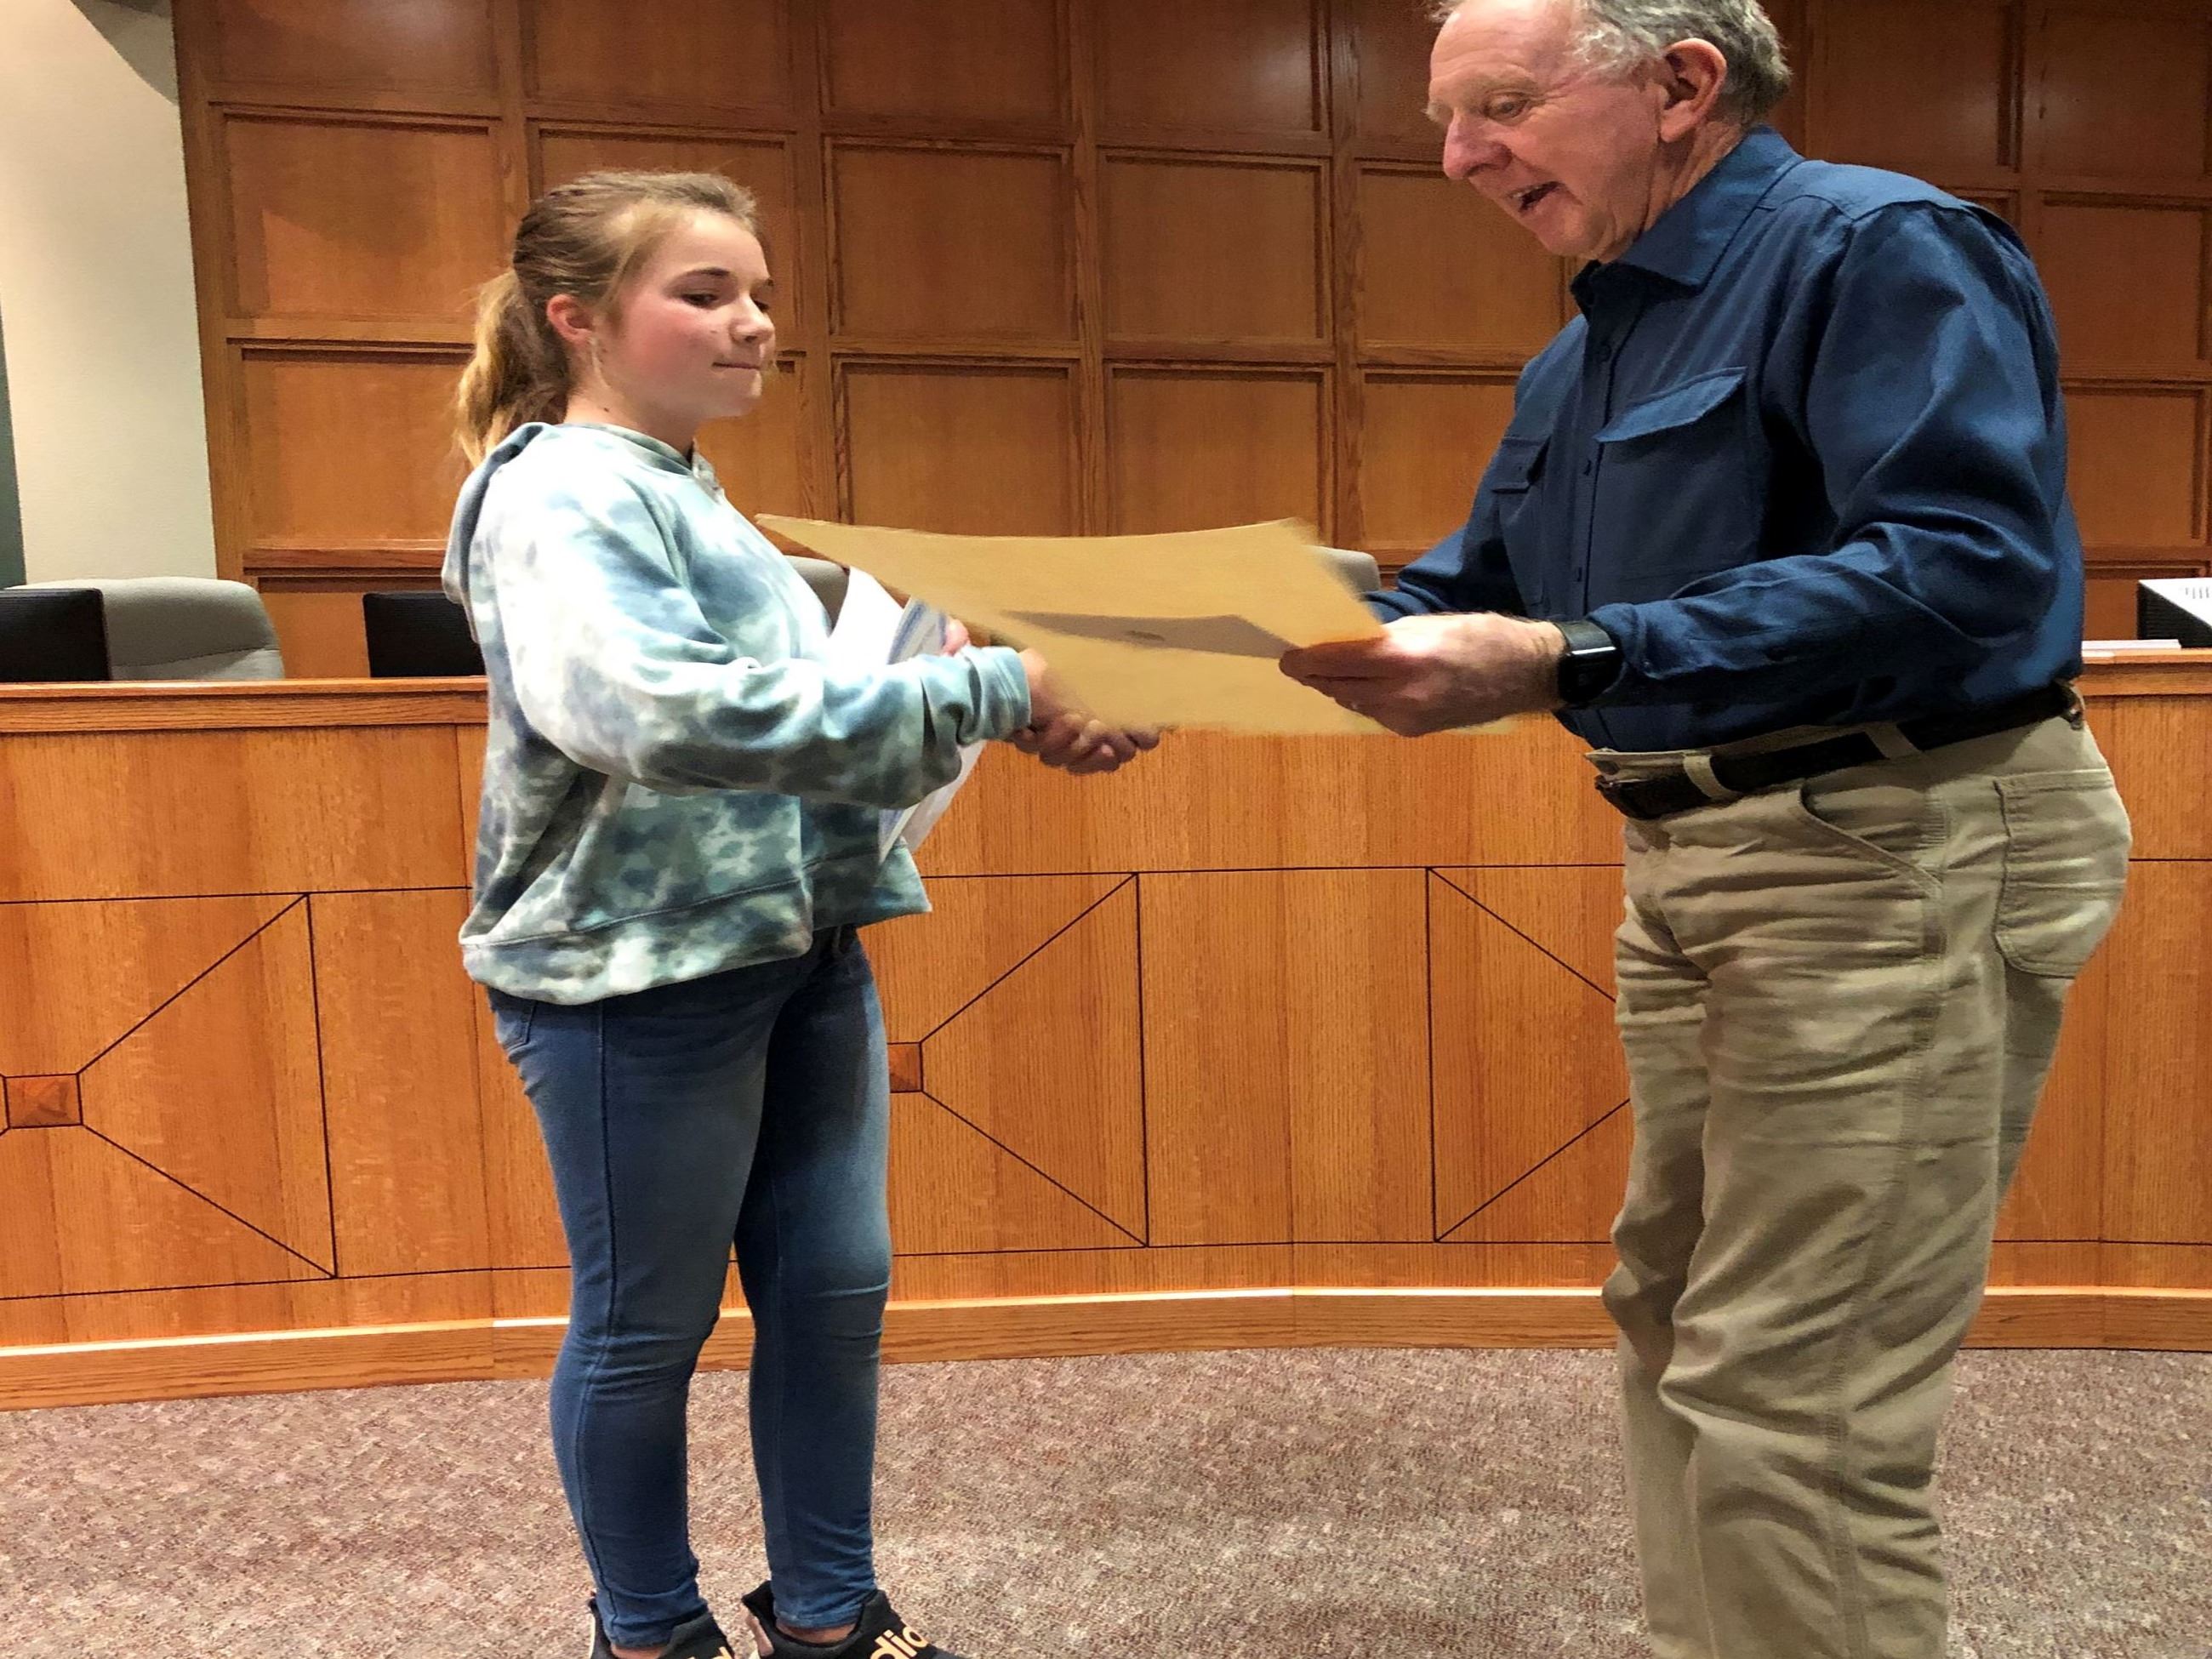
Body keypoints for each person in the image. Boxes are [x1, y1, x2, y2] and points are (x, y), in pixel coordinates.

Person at [1280, 3, 2131, 1655]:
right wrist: (1181, 642)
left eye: (1503, 106)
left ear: (1679, 86)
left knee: (1792, 1380)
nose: (1459, 157)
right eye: (1449, 120)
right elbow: (1480, 593)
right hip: (1693, 855)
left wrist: (1569, 658)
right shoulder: (1588, 343)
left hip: (1892, 832)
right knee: (1675, 1318)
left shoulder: (1874, 250)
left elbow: (1963, 566)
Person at [444, 168, 1148, 1659]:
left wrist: (981, 695)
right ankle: (647, 1634)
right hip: (638, 981)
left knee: (831, 1300)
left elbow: (814, 709)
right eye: (704, 293)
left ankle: (828, 1622)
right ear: (577, 318)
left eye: (758, 293)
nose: (753, 322)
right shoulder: (562, 492)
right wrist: (1005, 687)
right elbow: (658, 713)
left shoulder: (680, 486)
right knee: (647, 1328)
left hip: (799, 952)